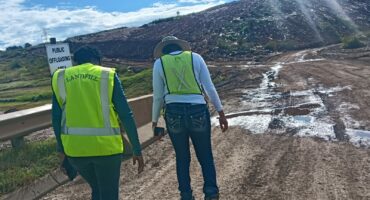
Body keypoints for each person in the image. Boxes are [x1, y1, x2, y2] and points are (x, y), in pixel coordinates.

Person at [51, 46, 144, 200]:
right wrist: (136, 149)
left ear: (75, 62)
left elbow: (55, 118)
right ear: (98, 60)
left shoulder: (60, 77)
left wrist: (61, 148)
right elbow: (126, 115)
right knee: (109, 193)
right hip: (107, 150)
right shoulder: (106, 74)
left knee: (97, 188)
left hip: (75, 150)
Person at [152, 36, 228, 200]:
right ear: (180, 47)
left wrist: (155, 122)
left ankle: (186, 195)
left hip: (173, 112)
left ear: (163, 50)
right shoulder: (196, 57)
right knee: (205, 154)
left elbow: (158, 96)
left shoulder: (159, 63)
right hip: (198, 110)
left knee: (182, 157)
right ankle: (211, 193)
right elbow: (209, 87)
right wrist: (221, 113)